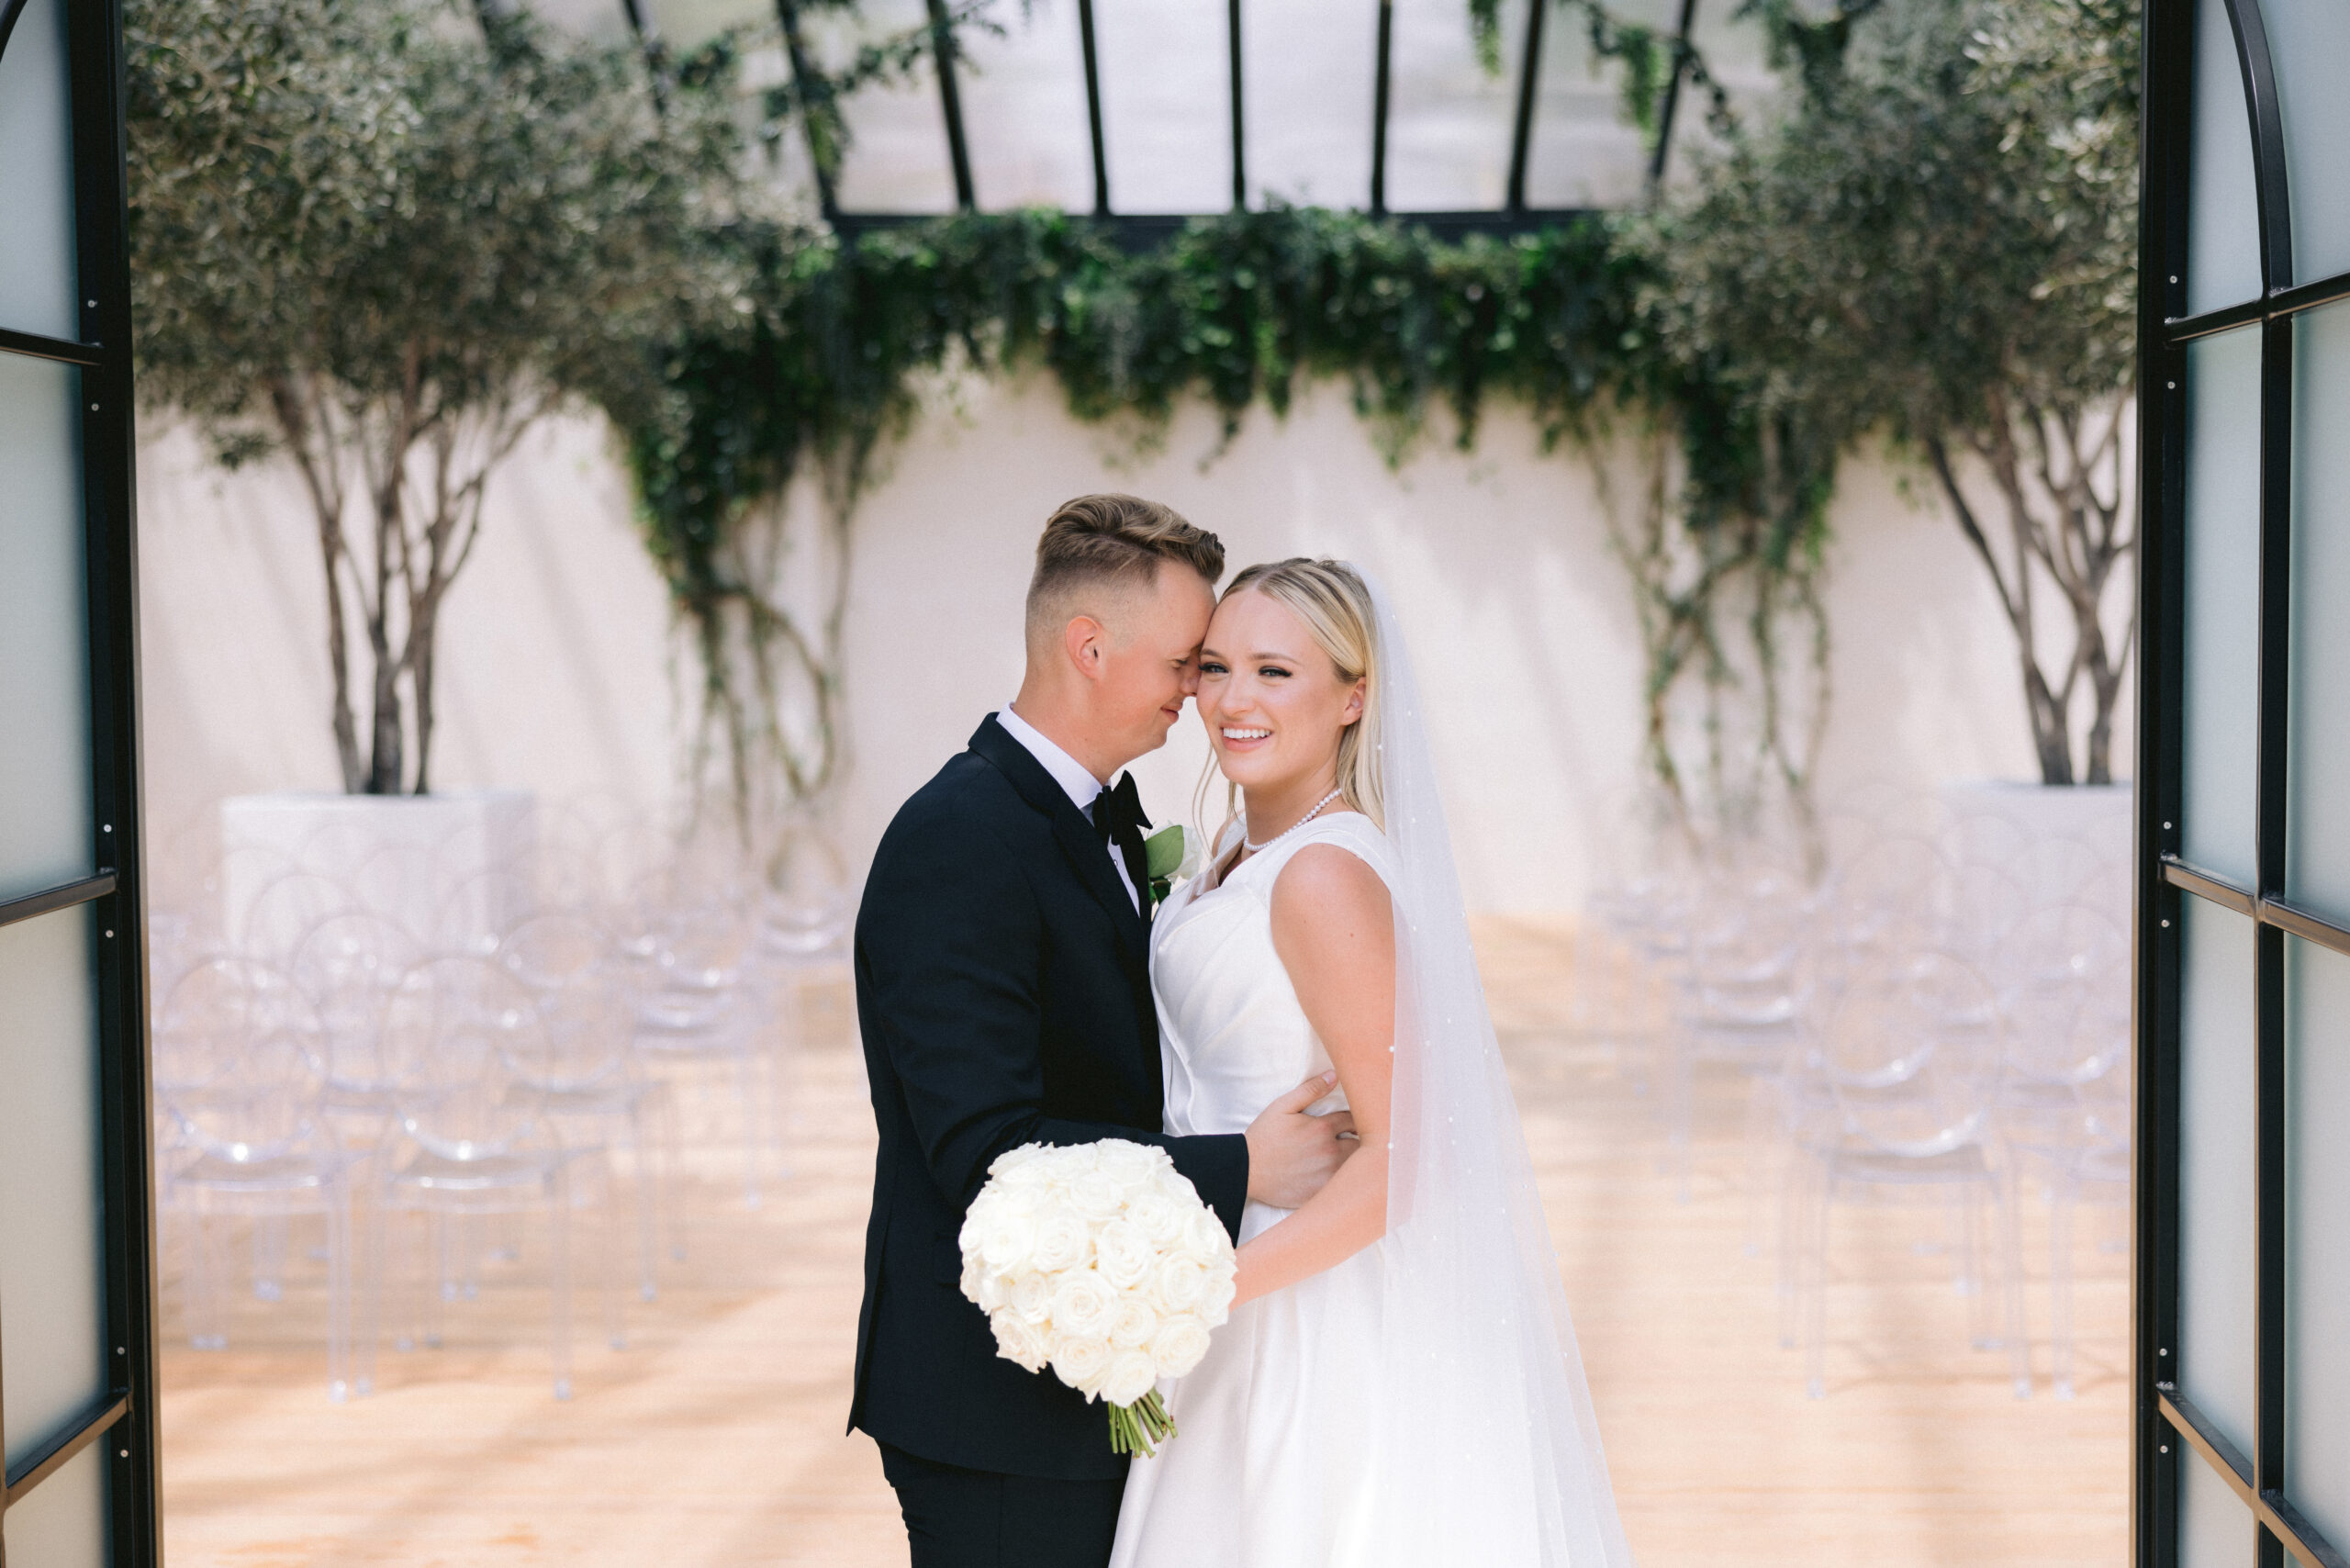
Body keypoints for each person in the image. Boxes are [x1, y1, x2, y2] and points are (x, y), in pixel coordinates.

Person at [850, 497, 1359, 1568]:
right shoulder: (960, 836)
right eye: (1189, 660)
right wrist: (1241, 1165)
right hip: (994, 1404)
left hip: (1099, 1375)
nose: (1201, 693)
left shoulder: (1098, 813)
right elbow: (987, 1151)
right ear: (1090, 647)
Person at [1109, 557, 1635, 1568]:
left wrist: (1205, 1287)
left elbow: (1405, 1157)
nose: (1232, 700)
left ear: (1353, 696)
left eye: (1275, 671)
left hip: (1299, 1304)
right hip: (1231, 1264)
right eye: (1215, 667)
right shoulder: (1233, 849)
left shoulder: (1321, 874)